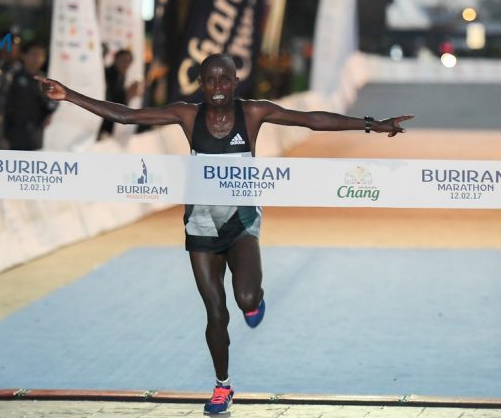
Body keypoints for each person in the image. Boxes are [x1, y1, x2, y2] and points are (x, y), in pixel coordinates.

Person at [36, 53, 413, 414]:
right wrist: (68, 95)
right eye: (210, 80)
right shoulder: (187, 114)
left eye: (224, 79)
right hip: (200, 224)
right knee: (215, 312)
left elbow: (311, 120)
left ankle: (254, 301)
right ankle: (222, 385)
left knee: (245, 298)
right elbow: (126, 115)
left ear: (236, 82)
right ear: (201, 84)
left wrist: (373, 124)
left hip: (241, 221)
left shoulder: (253, 113)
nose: (217, 86)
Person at [5, 40, 57, 150]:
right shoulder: (12, 77)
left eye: (41, 55)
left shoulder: (46, 82)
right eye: (34, 54)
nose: (37, 59)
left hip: (35, 136)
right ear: (23, 55)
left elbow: (52, 103)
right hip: (12, 135)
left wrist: (50, 113)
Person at [98, 49, 142, 138]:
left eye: (129, 62)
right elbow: (110, 104)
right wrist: (128, 95)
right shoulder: (107, 74)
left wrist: (129, 95)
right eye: (123, 60)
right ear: (116, 59)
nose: (126, 64)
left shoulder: (121, 76)